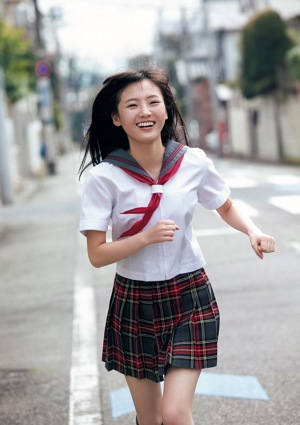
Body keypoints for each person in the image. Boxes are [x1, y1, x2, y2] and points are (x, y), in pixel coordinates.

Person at [79, 67, 275, 425]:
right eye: (133, 105)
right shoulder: (104, 177)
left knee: (174, 413)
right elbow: (96, 254)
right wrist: (144, 238)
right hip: (135, 301)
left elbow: (225, 205)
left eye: (153, 102)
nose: (145, 112)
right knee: (151, 418)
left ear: (166, 110)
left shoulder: (192, 162)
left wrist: (253, 231)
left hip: (190, 295)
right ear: (116, 118)